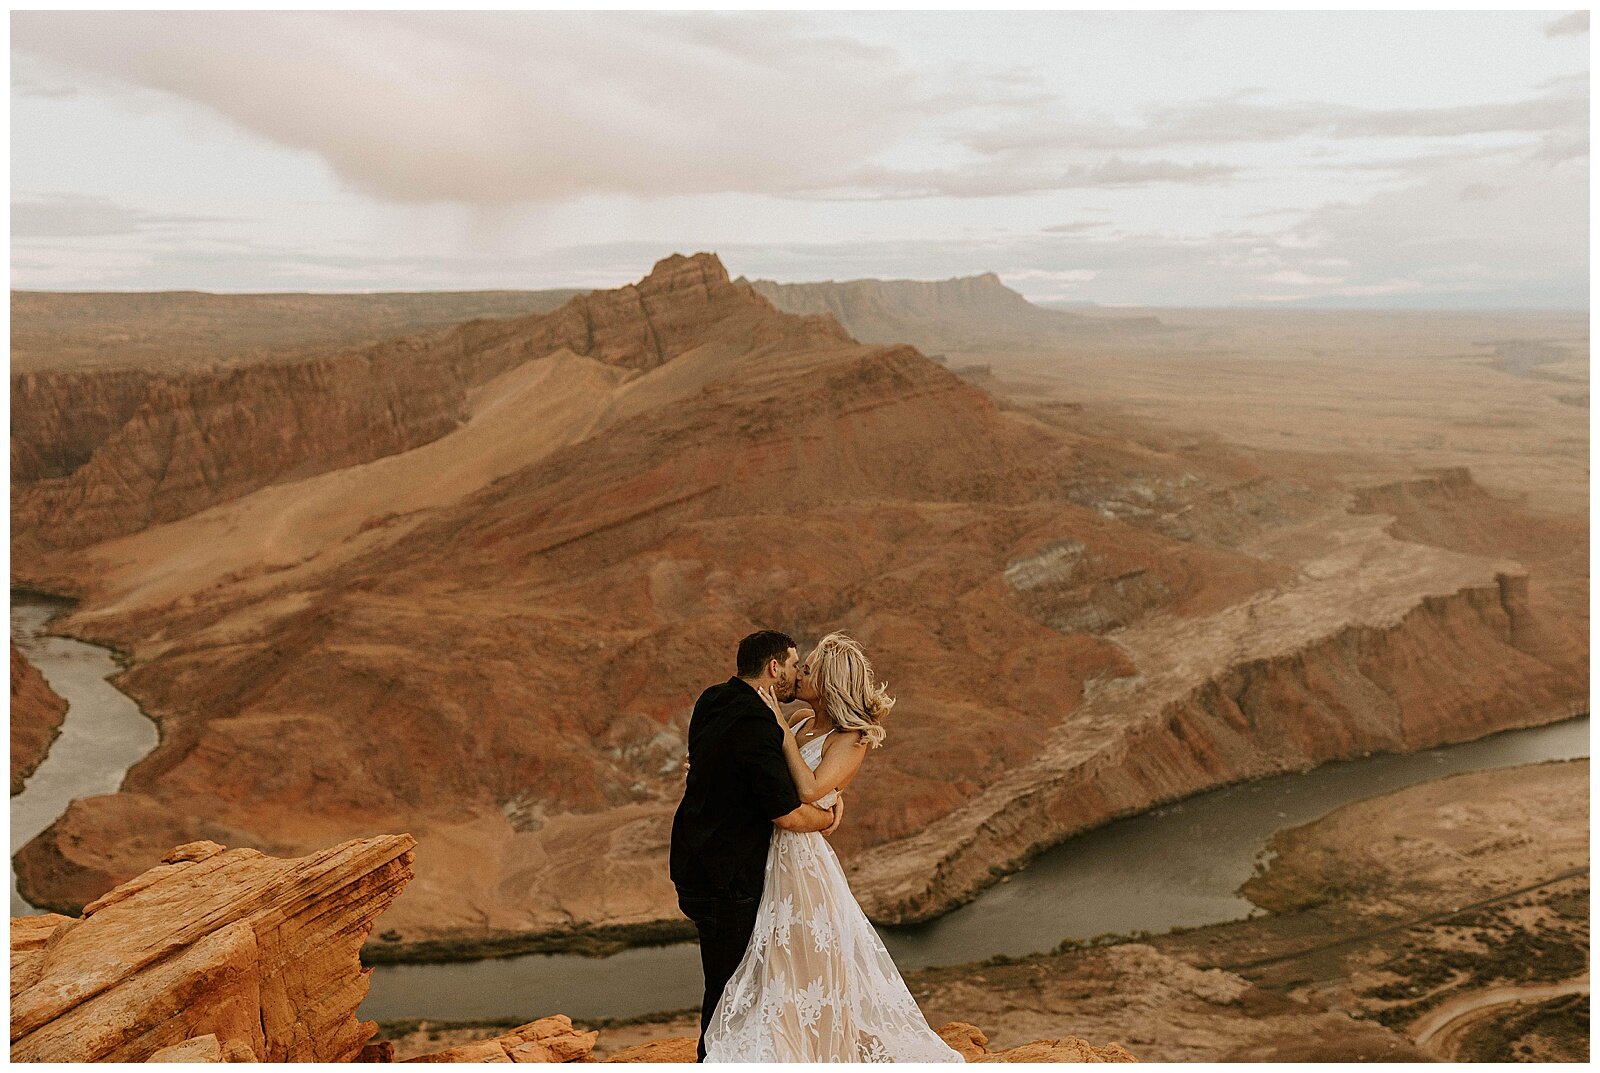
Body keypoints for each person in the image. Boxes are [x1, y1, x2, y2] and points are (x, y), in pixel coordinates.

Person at [700, 632, 963, 1062]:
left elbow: (808, 788)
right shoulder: (805, 721)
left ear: (829, 682)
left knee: (807, 968)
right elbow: (766, 780)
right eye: (800, 666)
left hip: (803, 866)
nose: (799, 674)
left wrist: (784, 734)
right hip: (771, 855)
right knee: (778, 969)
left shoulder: (851, 737)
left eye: (808, 670)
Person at [669, 630, 844, 1063]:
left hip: (693, 864)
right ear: (773, 668)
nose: (795, 674)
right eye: (792, 665)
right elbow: (785, 813)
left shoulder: (713, 699)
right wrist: (828, 818)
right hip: (728, 880)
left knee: (731, 982)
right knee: (731, 990)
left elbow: (712, 767)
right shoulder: (759, 722)